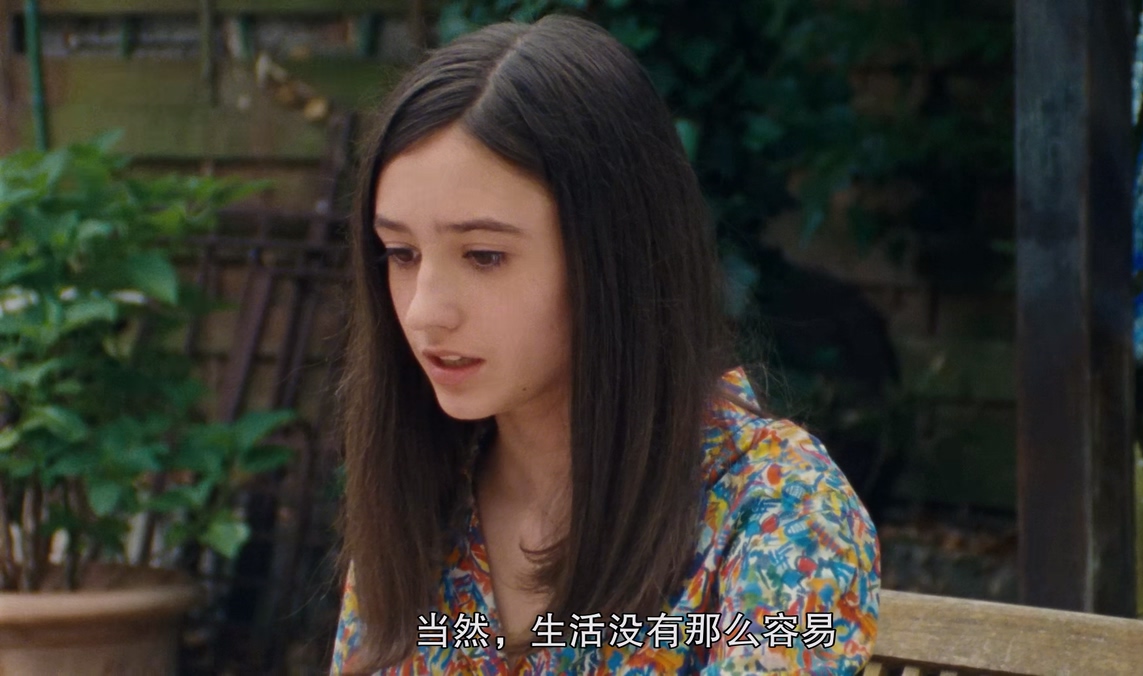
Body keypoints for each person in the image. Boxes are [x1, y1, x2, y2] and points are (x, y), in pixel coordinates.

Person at [330, 14, 879, 675]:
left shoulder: (777, 507)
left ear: (614, 256)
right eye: (400, 252)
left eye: (484, 256)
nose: (423, 312)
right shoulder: (422, 497)